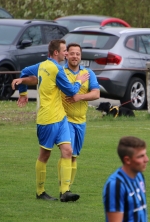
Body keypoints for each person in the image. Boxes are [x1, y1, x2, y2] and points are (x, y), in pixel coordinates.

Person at [15, 43, 100, 193]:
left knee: (72, 154)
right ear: (59, 53)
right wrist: (23, 86)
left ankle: (66, 190)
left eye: (76, 54)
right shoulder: (59, 70)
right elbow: (35, 79)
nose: (72, 55)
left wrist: (80, 97)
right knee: (55, 153)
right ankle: (50, 190)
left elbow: (96, 93)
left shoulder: (88, 73)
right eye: (68, 52)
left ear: (81, 56)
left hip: (78, 120)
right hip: (60, 118)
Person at [103, 136, 149, 222]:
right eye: (141, 156)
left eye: (145, 154)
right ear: (127, 160)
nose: (146, 159)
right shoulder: (116, 185)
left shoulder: (139, 176)